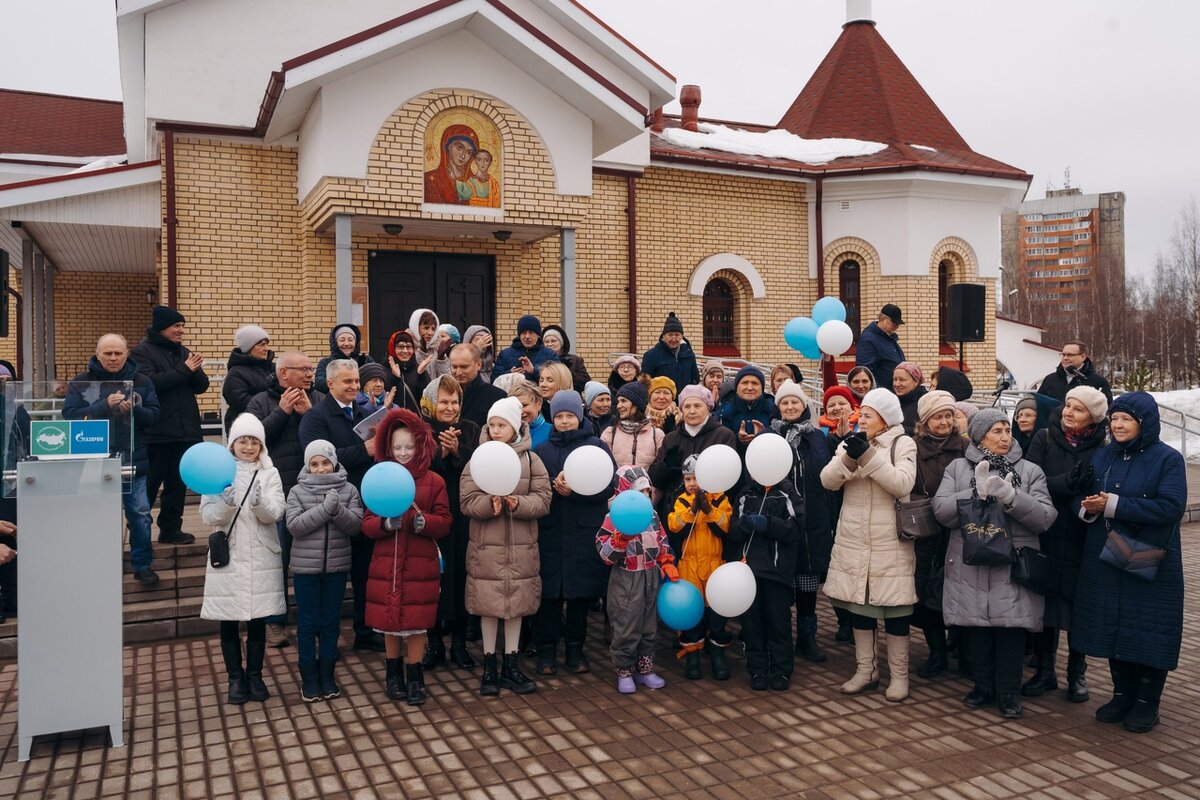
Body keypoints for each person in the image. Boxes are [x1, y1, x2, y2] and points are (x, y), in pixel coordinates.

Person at [932, 409, 1056, 720]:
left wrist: (1011, 496)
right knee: (977, 629)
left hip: (1012, 563)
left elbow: (1044, 518)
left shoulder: (1030, 471)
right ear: (978, 436)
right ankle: (983, 686)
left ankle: (1009, 693)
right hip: (970, 562)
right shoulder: (958, 468)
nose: (1004, 437)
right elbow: (941, 512)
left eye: (1006, 430)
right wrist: (973, 492)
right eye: (996, 431)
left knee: (1010, 630)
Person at [1073, 392, 1186, 733]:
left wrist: (1114, 505)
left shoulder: (1167, 459)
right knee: (1113, 624)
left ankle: (1146, 704)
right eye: (1115, 419)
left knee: (1149, 629)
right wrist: (1086, 507)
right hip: (1106, 556)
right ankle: (1122, 696)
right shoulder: (1104, 456)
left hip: (1150, 559)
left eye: (1126, 419)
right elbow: (1081, 496)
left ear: (1145, 423)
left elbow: (1171, 507)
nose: (1118, 425)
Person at [820, 388, 917, 702]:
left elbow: (902, 484)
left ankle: (899, 677)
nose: (860, 420)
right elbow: (828, 481)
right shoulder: (855, 441)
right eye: (861, 414)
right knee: (859, 606)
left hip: (890, 540)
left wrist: (869, 456)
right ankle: (866, 671)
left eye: (868, 415)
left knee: (895, 609)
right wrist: (849, 455)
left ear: (885, 419)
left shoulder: (904, 443)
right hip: (854, 537)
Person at [460, 397, 552, 696]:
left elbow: (543, 498)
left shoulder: (531, 460)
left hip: (521, 549)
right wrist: (489, 504)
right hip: (486, 548)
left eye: (503, 425)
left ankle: (511, 665)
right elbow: (466, 500)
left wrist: (518, 503)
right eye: (493, 425)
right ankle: (489, 666)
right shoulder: (477, 459)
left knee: (516, 608)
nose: (497, 429)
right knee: (488, 606)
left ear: (515, 427)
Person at [361, 409, 452, 705]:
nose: (402, 453)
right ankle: (392, 673)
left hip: (419, 564)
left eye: (409, 447)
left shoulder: (434, 481)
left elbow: (445, 519)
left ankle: (415, 676)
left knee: (416, 623)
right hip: (386, 563)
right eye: (397, 447)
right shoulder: (378, 478)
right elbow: (367, 521)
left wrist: (427, 523)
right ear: (387, 448)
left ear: (421, 446)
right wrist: (384, 525)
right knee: (389, 623)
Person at [1023, 386, 1108, 702]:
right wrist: (1065, 484)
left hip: (1082, 536)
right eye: (1068, 405)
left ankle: (1077, 673)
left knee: (1077, 607)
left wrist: (1081, 495)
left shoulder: (1102, 448)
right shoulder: (1045, 438)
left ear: (1093, 418)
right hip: (1045, 531)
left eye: (1078, 409)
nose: (1068, 411)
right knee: (1045, 605)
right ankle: (1044, 671)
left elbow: (1100, 489)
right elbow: (1031, 480)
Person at [200, 413, 287, 705]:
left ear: (261, 445)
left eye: (254, 441)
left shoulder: (270, 473)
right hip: (230, 555)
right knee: (228, 619)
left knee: (258, 619)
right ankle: (235, 679)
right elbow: (207, 515)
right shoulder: (218, 471)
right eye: (242, 441)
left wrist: (259, 502)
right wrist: (225, 505)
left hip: (262, 554)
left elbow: (276, 513)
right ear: (232, 443)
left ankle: (255, 676)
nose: (248, 447)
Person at [63, 334, 161, 586]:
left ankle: (142, 565)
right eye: (108, 353)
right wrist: (103, 406)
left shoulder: (141, 381)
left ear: (127, 354)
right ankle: (99, 562)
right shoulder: (82, 382)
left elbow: (154, 417)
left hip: (132, 459)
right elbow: (71, 417)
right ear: (97, 354)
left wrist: (135, 410)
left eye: (118, 353)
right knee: (97, 515)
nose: (114, 358)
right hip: (94, 459)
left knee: (140, 514)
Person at [298, 360, 382, 653]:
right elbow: (318, 464)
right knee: (329, 579)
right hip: (329, 508)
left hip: (362, 503)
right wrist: (364, 450)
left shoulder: (364, 412)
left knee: (364, 571)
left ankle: (365, 631)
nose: (354, 387)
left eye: (356, 381)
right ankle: (325, 642)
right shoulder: (315, 418)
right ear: (330, 384)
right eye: (347, 382)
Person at [247, 351, 326, 648]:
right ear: (283, 374)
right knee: (277, 561)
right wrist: (281, 412)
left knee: (314, 561)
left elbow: (328, 442)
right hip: (277, 492)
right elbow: (253, 442)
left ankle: (315, 621)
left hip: (313, 493)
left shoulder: (318, 399)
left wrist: (309, 414)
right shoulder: (260, 401)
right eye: (303, 369)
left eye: (310, 369)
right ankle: (274, 623)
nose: (309, 374)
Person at [533, 392, 615, 676]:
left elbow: (607, 488)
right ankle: (546, 652)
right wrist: (554, 490)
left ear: (579, 416)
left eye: (569, 416)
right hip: (550, 532)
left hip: (583, 531)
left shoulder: (596, 447)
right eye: (559, 416)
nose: (565, 421)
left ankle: (575, 651)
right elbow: (534, 488)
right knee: (550, 596)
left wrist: (576, 492)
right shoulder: (542, 450)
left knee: (580, 595)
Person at [284, 440, 364, 702]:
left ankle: (328, 674)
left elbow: (355, 526)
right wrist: (324, 509)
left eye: (325, 462)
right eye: (314, 464)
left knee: (331, 623)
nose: (320, 469)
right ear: (307, 466)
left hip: (337, 567)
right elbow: (294, 526)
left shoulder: (349, 489)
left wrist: (337, 508)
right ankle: (309, 677)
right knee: (307, 624)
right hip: (306, 570)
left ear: (334, 463)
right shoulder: (297, 491)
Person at [729, 439, 804, 691]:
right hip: (748, 571)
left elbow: (796, 529)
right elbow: (733, 529)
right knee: (752, 624)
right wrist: (744, 525)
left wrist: (768, 523)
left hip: (777, 572)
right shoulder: (746, 493)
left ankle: (782, 671)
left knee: (778, 623)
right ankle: (757, 669)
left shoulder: (787, 492)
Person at [132, 305, 209, 546]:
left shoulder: (182, 351)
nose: (182, 331)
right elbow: (151, 384)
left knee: (177, 484)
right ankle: (138, 532)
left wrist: (194, 371)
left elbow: (201, 386)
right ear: (162, 327)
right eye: (177, 326)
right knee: (149, 486)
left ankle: (170, 529)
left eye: (182, 326)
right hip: (157, 432)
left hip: (185, 431)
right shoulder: (141, 353)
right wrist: (185, 370)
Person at [597, 466, 678, 694]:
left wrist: (666, 560)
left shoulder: (652, 516)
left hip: (651, 574)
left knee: (649, 624)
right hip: (626, 578)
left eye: (647, 492)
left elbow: (661, 539)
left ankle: (645, 669)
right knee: (626, 623)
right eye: (638, 492)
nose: (644, 498)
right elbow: (604, 553)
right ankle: (624, 670)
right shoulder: (613, 518)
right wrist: (619, 541)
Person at [419, 375, 479, 671]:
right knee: (433, 578)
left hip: (461, 512)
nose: (449, 407)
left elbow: (478, 466)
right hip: (430, 513)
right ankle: (433, 644)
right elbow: (416, 467)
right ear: (431, 402)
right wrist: (440, 453)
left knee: (459, 575)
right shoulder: (421, 430)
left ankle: (459, 643)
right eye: (443, 401)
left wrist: (457, 451)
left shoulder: (469, 428)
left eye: (454, 402)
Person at [771, 380, 834, 663]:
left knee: (808, 584)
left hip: (813, 520)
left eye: (795, 402)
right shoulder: (770, 438)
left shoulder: (817, 437)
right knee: (782, 586)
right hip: (782, 520)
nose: (790, 406)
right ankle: (781, 639)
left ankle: (807, 639)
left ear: (804, 405)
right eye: (785, 403)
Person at [908, 390, 965, 679]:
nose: (944, 422)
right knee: (927, 589)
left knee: (959, 589)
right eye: (937, 417)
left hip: (959, 531)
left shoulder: (966, 446)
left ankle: (961, 647)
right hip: (926, 531)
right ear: (925, 421)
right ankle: (936, 652)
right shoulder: (913, 447)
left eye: (948, 415)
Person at [666, 455, 733, 680]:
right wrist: (692, 511)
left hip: (714, 563)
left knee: (715, 613)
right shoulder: (682, 500)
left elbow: (726, 525)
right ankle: (692, 656)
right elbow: (674, 525)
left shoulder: (720, 499)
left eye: (696, 478)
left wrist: (708, 510)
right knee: (691, 613)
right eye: (687, 479)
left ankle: (717, 655)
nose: (692, 484)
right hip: (689, 565)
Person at [818, 384, 860, 643]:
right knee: (837, 565)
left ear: (851, 406)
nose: (836, 408)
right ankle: (843, 620)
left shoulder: (862, 429)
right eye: (831, 404)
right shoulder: (819, 433)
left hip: (856, 504)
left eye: (841, 403)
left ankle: (859, 620)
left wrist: (846, 438)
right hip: (829, 505)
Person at [648, 383, 737, 502]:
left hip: (711, 509)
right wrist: (666, 465)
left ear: (708, 407)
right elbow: (655, 479)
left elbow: (729, 476)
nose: (692, 411)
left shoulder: (724, 436)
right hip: (676, 510)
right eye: (687, 406)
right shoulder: (671, 438)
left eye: (697, 406)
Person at [600, 381, 664, 476]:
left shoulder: (657, 435)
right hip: (618, 490)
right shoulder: (609, 434)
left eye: (623, 401)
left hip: (647, 490)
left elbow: (660, 470)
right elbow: (604, 467)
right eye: (618, 401)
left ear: (637, 404)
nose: (618, 406)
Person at [222, 325, 275, 432]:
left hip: (273, 421)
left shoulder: (274, 368)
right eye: (261, 345)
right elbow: (240, 401)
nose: (266, 349)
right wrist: (273, 401)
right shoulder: (236, 372)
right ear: (248, 348)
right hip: (246, 426)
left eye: (267, 344)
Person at [719, 365, 778, 453]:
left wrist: (764, 436)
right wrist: (738, 439)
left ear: (762, 388)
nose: (749, 388)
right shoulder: (724, 412)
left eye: (755, 383)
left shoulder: (773, 411)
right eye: (745, 383)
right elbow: (721, 445)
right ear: (737, 387)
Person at [450, 343, 506, 430]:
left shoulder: (497, 397)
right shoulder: (443, 394)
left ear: (478, 364)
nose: (458, 372)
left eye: (464, 367)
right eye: (454, 367)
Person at [1036, 341, 1113, 404]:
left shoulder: (1098, 381)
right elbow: (1038, 403)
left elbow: (1106, 408)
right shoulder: (1050, 379)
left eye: (1070, 355)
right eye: (1063, 355)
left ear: (1083, 357)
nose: (1065, 358)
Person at [641, 312, 700, 391]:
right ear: (663, 336)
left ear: (682, 336)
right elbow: (645, 383)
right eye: (670, 335)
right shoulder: (651, 355)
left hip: (684, 400)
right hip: (661, 400)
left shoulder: (689, 354)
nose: (673, 338)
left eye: (677, 335)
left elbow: (695, 379)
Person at [424, 123, 480, 205]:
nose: (463, 155)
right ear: (448, 147)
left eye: (469, 152)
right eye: (459, 147)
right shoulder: (429, 180)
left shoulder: (475, 183)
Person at [492, 315, 558, 382]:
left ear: (538, 335)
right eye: (524, 333)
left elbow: (558, 377)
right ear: (519, 335)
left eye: (531, 333)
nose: (527, 336)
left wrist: (533, 371)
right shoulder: (505, 355)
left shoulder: (550, 355)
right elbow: (495, 380)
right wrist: (510, 374)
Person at [315, 323, 375, 394]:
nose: (346, 343)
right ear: (335, 343)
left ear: (356, 343)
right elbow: (319, 385)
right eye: (342, 340)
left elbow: (374, 381)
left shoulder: (366, 361)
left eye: (350, 340)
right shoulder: (325, 363)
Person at [855, 305, 906, 387]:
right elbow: (865, 371)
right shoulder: (869, 340)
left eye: (898, 324)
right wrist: (879, 393)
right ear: (883, 319)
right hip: (883, 394)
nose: (896, 326)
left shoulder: (888, 337)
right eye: (894, 323)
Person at [385, 331, 429, 413]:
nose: (405, 351)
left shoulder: (419, 369)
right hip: (392, 422)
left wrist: (421, 375)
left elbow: (427, 399)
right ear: (392, 349)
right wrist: (395, 377)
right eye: (400, 347)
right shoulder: (384, 370)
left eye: (409, 347)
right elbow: (384, 397)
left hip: (414, 422)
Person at [541, 324, 591, 393]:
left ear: (561, 343)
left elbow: (584, 382)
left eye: (553, 341)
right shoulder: (540, 360)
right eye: (546, 342)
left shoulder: (575, 360)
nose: (549, 344)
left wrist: (567, 371)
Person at [408, 308, 451, 380]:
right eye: (426, 328)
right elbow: (413, 376)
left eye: (433, 329)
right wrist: (422, 352)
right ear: (416, 327)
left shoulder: (436, 348)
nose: (430, 333)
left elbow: (446, 380)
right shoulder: (407, 346)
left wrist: (441, 359)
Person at [508, 379, 552, 449]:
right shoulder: (506, 434)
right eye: (516, 406)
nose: (521, 411)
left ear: (539, 404)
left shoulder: (552, 432)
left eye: (524, 405)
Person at [893, 362, 927, 437]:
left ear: (916, 381)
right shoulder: (892, 401)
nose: (897, 384)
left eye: (902, 380)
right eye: (895, 379)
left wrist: (896, 430)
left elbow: (925, 431)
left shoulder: (925, 402)